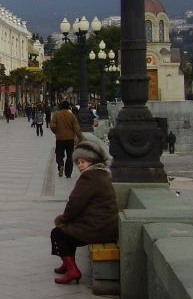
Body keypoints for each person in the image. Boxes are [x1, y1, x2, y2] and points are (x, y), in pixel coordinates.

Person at [51, 140, 118, 285]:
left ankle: (72, 270)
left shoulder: (89, 177)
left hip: (98, 229)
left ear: (92, 161)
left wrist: (64, 219)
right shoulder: (102, 174)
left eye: (83, 162)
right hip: (106, 225)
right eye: (78, 162)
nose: (80, 165)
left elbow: (74, 205)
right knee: (68, 230)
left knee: (58, 233)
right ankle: (68, 263)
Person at [50, 101, 85, 178]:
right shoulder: (72, 116)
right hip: (70, 139)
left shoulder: (56, 114)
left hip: (60, 138)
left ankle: (60, 165)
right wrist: (82, 138)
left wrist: (56, 132)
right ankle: (68, 173)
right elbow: (77, 128)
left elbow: (52, 126)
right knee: (70, 156)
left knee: (59, 154)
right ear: (68, 107)